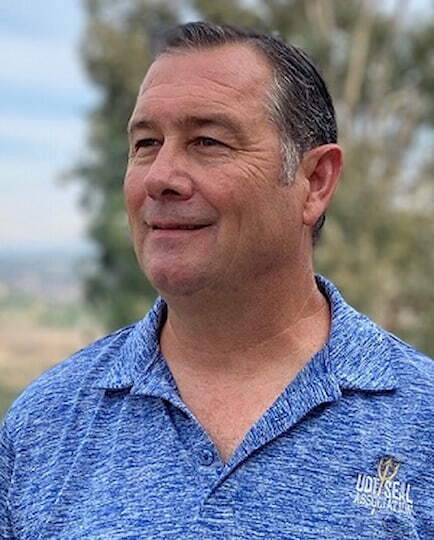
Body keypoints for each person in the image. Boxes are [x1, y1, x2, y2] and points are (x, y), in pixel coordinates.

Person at [1, 21, 432, 539]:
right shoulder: (43, 425)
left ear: (315, 182)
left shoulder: (420, 418)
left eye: (207, 140)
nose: (160, 176)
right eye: (145, 143)